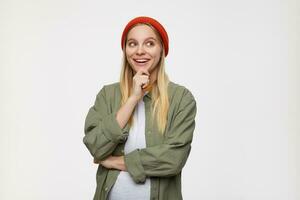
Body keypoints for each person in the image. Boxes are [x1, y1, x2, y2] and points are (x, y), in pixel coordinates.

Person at [83, 16, 197, 200]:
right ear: (125, 50)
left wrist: (114, 162)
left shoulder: (181, 98)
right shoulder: (107, 95)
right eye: (132, 44)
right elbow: (95, 146)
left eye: (150, 43)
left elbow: (173, 159)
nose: (140, 51)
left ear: (162, 50)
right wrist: (133, 99)